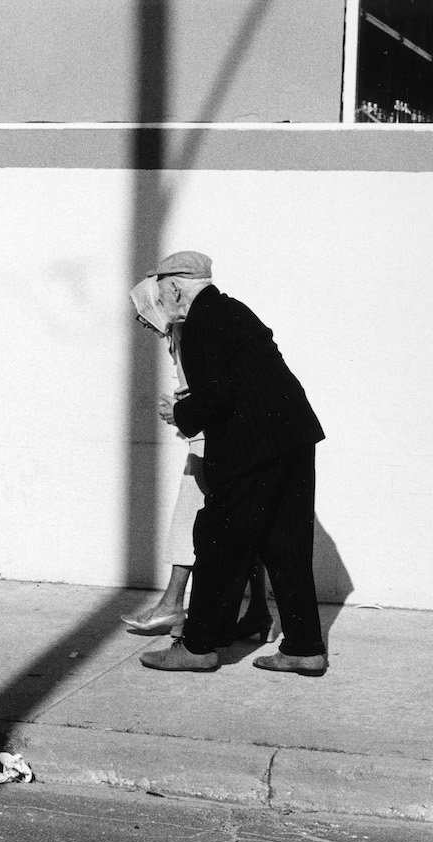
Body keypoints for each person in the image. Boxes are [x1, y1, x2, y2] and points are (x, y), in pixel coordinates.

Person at [136, 251, 329, 676]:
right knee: (286, 546)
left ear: (175, 286)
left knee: (218, 541)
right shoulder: (233, 310)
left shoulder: (202, 322)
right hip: (294, 437)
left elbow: (218, 396)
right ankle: (304, 647)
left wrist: (180, 415)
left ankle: (198, 647)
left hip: (254, 447)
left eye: (161, 290)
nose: (160, 299)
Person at [121, 277, 274, 641]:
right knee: (238, 524)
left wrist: (177, 410)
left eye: (145, 311)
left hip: (209, 440)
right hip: (210, 437)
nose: (142, 321)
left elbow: (207, 392)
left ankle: (172, 604)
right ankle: (259, 613)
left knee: (189, 520)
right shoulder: (182, 337)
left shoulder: (188, 335)